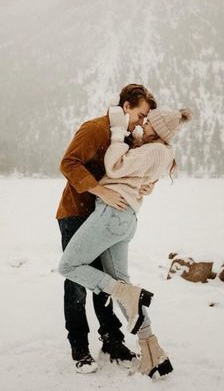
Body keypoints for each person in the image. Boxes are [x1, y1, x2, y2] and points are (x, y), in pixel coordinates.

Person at [58, 104, 193, 377]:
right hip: (124, 216)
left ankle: (120, 301)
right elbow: (138, 174)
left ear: (159, 129)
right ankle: (152, 350)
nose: (144, 124)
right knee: (122, 285)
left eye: (149, 121)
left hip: (111, 214)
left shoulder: (152, 149)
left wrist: (119, 132)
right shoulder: (159, 150)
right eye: (143, 117)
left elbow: (115, 166)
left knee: (69, 266)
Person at [56, 84, 157, 373]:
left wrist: (142, 186)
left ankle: (112, 339)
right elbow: (68, 163)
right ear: (127, 107)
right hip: (76, 213)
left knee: (104, 280)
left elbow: (125, 173)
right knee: (77, 281)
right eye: (141, 115)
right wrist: (100, 190)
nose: (143, 122)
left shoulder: (124, 137)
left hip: (104, 218)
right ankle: (79, 347)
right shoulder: (95, 129)